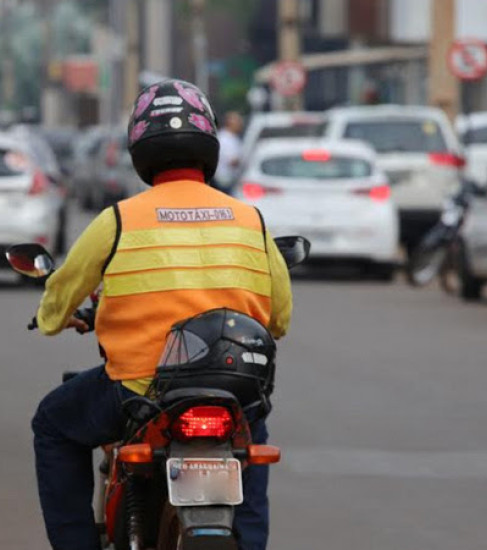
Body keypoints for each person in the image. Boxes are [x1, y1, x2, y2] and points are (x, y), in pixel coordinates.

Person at [30, 79, 293, 550]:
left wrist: (53, 317)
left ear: (140, 152)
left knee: (52, 423)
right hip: (236, 391)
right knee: (249, 450)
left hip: (140, 391)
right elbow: (279, 320)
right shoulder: (250, 220)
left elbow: (61, 295)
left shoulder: (119, 220)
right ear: (209, 146)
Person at [214, 110, 245, 190]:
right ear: (230, 123)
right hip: (224, 180)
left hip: (229, 179)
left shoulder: (233, 138)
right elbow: (232, 161)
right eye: (238, 121)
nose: (240, 124)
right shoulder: (225, 138)